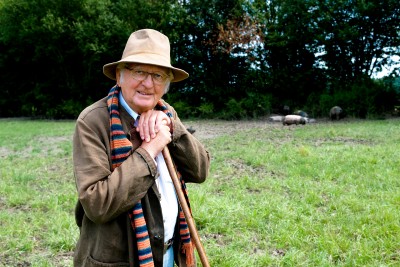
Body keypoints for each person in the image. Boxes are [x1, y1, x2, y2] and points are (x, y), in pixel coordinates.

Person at [72, 29, 210, 267]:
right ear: (119, 75)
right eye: (139, 72)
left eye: (158, 75)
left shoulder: (167, 114)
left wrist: (171, 127)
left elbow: (200, 171)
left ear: (166, 84)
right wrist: (151, 149)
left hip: (167, 255)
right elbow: (97, 204)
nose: (148, 83)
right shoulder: (93, 122)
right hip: (118, 260)